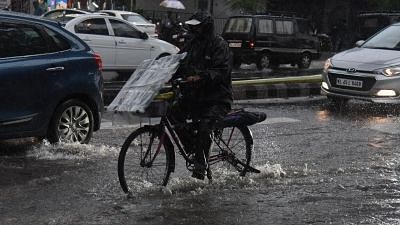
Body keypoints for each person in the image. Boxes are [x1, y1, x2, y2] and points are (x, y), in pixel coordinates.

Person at [171, 10, 233, 180]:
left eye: (197, 28)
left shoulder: (219, 45)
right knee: (172, 114)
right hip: (195, 96)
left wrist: (200, 77)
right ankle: (194, 146)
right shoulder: (192, 44)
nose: (194, 31)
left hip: (217, 98)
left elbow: (220, 71)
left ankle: (201, 164)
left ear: (205, 28)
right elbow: (178, 62)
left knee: (205, 125)